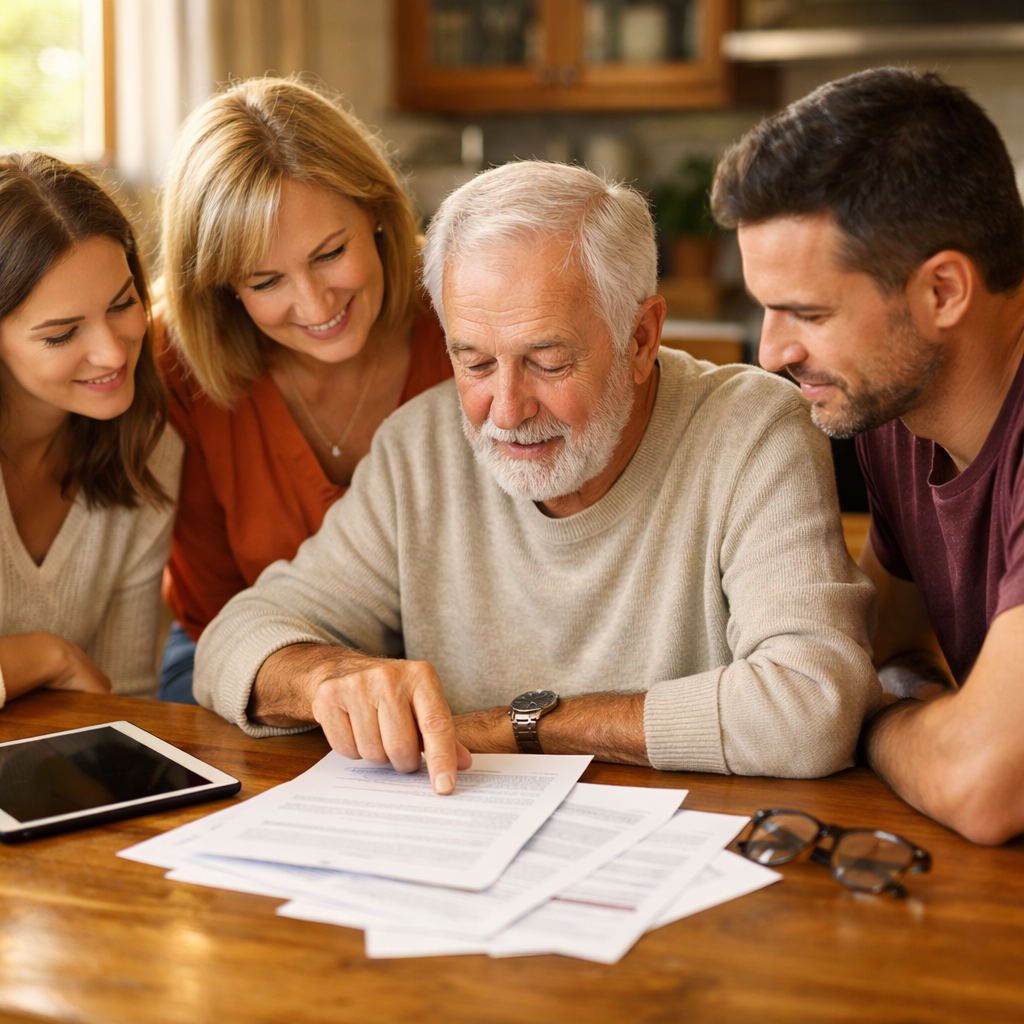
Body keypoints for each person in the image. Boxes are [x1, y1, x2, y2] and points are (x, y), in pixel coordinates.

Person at [193, 160, 878, 794]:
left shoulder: (754, 430)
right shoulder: (420, 445)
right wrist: (328, 679)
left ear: (641, 338)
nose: (508, 411)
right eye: (475, 364)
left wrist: (522, 727)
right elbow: (232, 640)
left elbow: (812, 705)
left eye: (547, 362)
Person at [713, 67, 1024, 845]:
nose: (773, 351)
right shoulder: (895, 412)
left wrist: (874, 723)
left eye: (808, 313)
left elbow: (983, 782)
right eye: (766, 309)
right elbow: (881, 646)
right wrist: (914, 708)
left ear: (943, 291)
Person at [156, 78, 453, 703]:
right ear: (221, 288)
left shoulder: (464, 309)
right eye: (265, 281)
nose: (316, 304)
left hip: (450, 665)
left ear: (375, 209)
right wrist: (314, 685)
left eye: (329, 253)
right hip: (249, 666)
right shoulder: (175, 361)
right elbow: (212, 612)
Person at [0, 152, 181, 708]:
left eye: (123, 303)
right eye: (61, 334)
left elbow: (119, 699)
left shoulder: (148, 447)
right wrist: (43, 656)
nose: (110, 352)